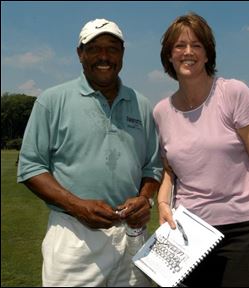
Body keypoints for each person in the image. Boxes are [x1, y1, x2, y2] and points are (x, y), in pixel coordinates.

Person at [17, 18, 162, 287]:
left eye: (112, 48)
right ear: (80, 54)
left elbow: (152, 168)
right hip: (73, 234)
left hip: (132, 235)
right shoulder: (52, 100)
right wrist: (77, 205)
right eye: (94, 48)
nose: (104, 56)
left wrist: (145, 199)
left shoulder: (141, 105)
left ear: (122, 54)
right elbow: (31, 167)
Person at [153, 12, 249, 287]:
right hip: (188, 234)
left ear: (207, 54)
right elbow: (170, 170)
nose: (187, 52)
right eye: (179, 46)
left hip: (243, 233)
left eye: (196, 45)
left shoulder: (234, 93)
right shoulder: (161, 112)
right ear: (169, 55)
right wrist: (163, 203)